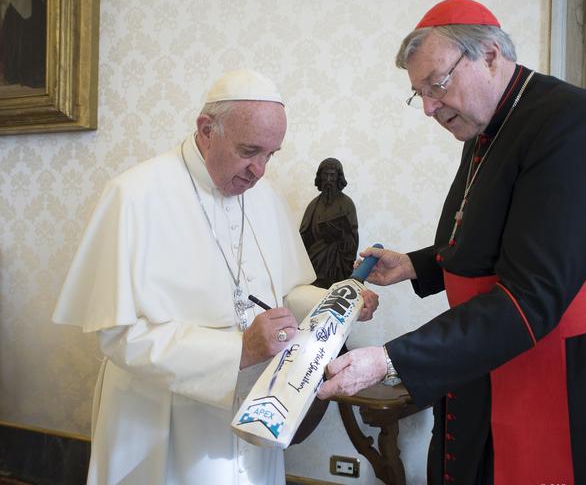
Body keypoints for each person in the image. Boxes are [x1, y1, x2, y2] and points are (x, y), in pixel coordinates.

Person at [318, 0, 586, 484]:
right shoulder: (485, 125)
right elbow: (493, 234)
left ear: (490, 54)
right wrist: (415, 265)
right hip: (494, 351)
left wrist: (390, 359)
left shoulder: (572, 122)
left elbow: (534, 291)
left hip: (564, 370)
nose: (429, 107)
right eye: (420, 94)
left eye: (437, 84)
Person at [52, 69, 378, 485]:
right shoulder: (135, 194)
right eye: (249, 151)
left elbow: (287, 290)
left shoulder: (263, 194)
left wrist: (337, 301)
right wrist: (237, 350)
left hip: (252, 403)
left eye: (270, 155)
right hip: (161, 417)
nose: (259, 170)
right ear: (206, 130)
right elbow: (116, 333)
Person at [300, 157, 359, 289]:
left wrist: (339, 234)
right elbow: (303, 238)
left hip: (338, 266)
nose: (328, 180)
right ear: (320, 177)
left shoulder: (347, 204)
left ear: (338, 177)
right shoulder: (313, 205)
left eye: (332, 175)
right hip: (314, 265)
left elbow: (352, 241)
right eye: (325, 175)